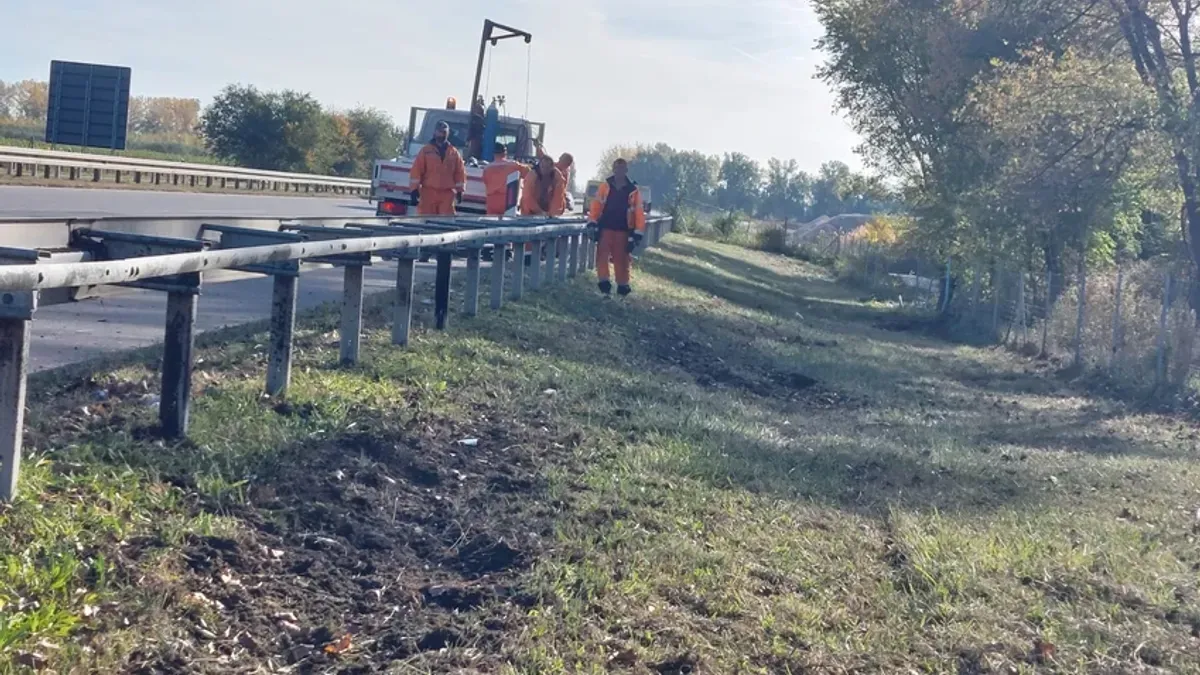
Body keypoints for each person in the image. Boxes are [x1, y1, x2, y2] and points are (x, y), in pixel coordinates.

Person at [587, 158, 645, 297]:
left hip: (623, 230)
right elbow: (596, 205)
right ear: (613, 169)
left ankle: (622, 287)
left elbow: (638, 212)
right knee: (602, 257)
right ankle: (604, 286)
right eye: (617, 168)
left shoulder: (633, 190)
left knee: (622, 260)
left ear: (626, 170)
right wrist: (592, 221)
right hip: (605, 227)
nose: (619, 171)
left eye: (622, 168)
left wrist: (638, 233)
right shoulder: (605, 186)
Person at [409, 121, 466, 216]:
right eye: (439, 132)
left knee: (446, 224)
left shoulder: (454, 152)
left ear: (448, 134)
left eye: (444, 132)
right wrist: (414, 190)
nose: (441, 135)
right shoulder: (426, 151)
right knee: (425, 221)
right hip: (428, 193)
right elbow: (417, 171)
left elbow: (459, 172)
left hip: (447, 195)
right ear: (434, 132)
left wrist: (460, 191)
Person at [481, 143, 532, 216]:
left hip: (492, 200)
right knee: (507, 223)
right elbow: (528, 173)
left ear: (494, 154)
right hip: (508, 200)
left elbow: (485, 181)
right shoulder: (513, 165)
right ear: (505, 153)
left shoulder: (487, 168)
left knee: (490, 222)